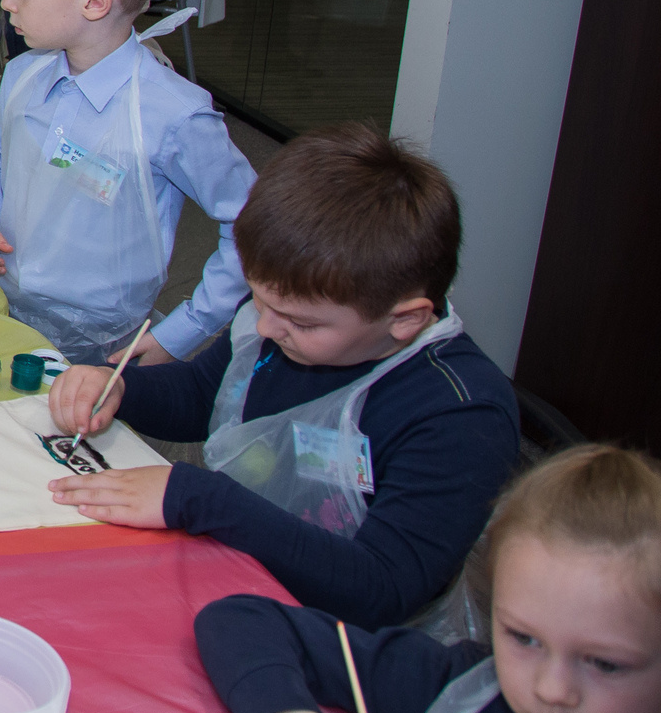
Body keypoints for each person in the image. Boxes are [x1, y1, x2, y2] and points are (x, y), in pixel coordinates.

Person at [47, 121, 520, 627]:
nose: (265, 327)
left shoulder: (461, 414)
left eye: (301, 321)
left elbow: (383, 589)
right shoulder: (285, 313)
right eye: (260, 299)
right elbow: (209, 394)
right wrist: (119, 386)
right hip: (240, 570)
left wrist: (201, 499)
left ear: (404, 319)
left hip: (348, 644)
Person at [195, 443, 661, 713]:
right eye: (523, 638)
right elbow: (241, 621)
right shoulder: (465, 689)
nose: (552, 690)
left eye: (605, 664)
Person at [0, 0, 253, 367]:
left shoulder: (174, 115)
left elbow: (253, 226)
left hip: (101, 347)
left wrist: (186, 328)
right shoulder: (25, 75)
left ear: (94, 1)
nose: (7, 1)